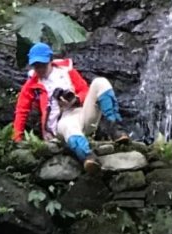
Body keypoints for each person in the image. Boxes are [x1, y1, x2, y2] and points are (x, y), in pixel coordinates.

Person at [12, 42, 129, 172]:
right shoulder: (31, 85)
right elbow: (21, 111)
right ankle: (88, 157)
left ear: (50, 60)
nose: (39, 69)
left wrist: (75, 100)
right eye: (36, 65)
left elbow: (85, 90)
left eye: (42, 65)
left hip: (81, 113)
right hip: (59, 123)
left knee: (100, 82)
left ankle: (116, 129)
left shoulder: (67, 71)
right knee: (69, 126)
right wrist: (17, 139)